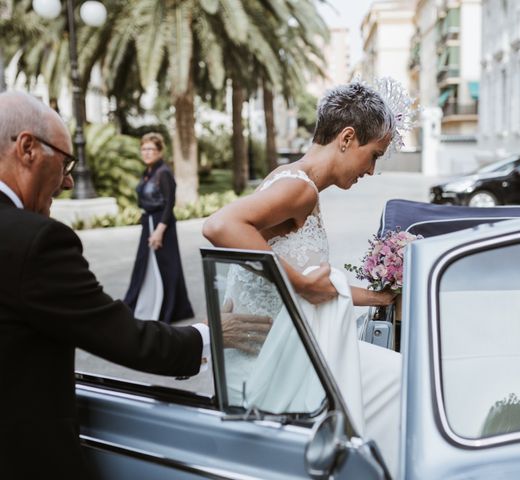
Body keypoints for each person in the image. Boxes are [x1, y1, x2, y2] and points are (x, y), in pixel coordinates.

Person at [0, 91, 209, 479]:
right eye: (65, 162)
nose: (66, 182)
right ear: (27, 148)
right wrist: (209, 337)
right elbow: (124, 337)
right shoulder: (35, 241)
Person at [202, 81, 405, 475]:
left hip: (284, 347)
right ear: (347, 138)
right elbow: (221, 225)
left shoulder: (290, 178)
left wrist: (383, 298)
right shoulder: (300, 188)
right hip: (274, 360)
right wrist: (298, 281)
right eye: (373, 155)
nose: (371, 170)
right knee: (402, 381)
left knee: (395, 375)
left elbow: (320, 286)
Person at [123, 132, 194, 324]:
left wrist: (159, 231)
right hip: (149, 222)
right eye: (143, 149)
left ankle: (169, 310)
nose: (146, 153)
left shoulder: (163, 173)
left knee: (166, 267)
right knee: (144, 266)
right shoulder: (148, 172)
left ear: (160, 151)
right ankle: (141, 304)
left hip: (162, 225)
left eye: (151, 149)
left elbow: (169, 204)